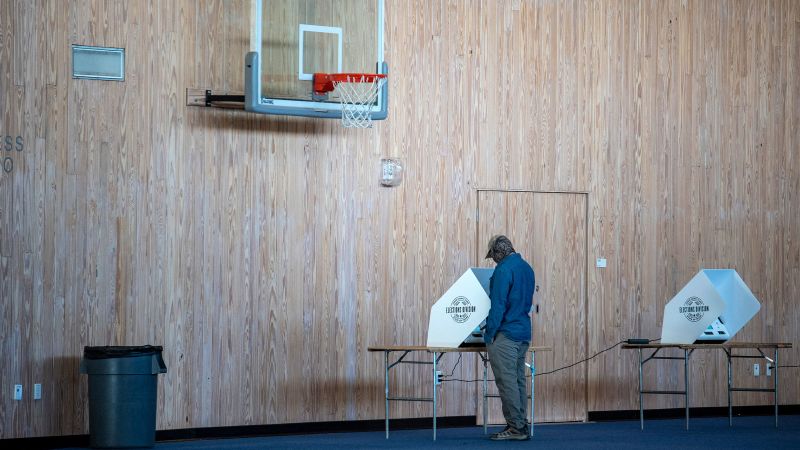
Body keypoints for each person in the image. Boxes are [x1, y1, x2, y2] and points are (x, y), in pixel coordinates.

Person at [483, 235, 536, 441]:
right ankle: (521, 423)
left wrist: (489, 335)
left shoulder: (503, 270)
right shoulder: (527, 268)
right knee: (518, 379)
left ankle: (515, 428)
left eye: (493, 256)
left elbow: (498, 306)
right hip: (523, 332)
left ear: (499, 252)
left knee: (507, 382)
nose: (493, 261)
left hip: (505, 334)